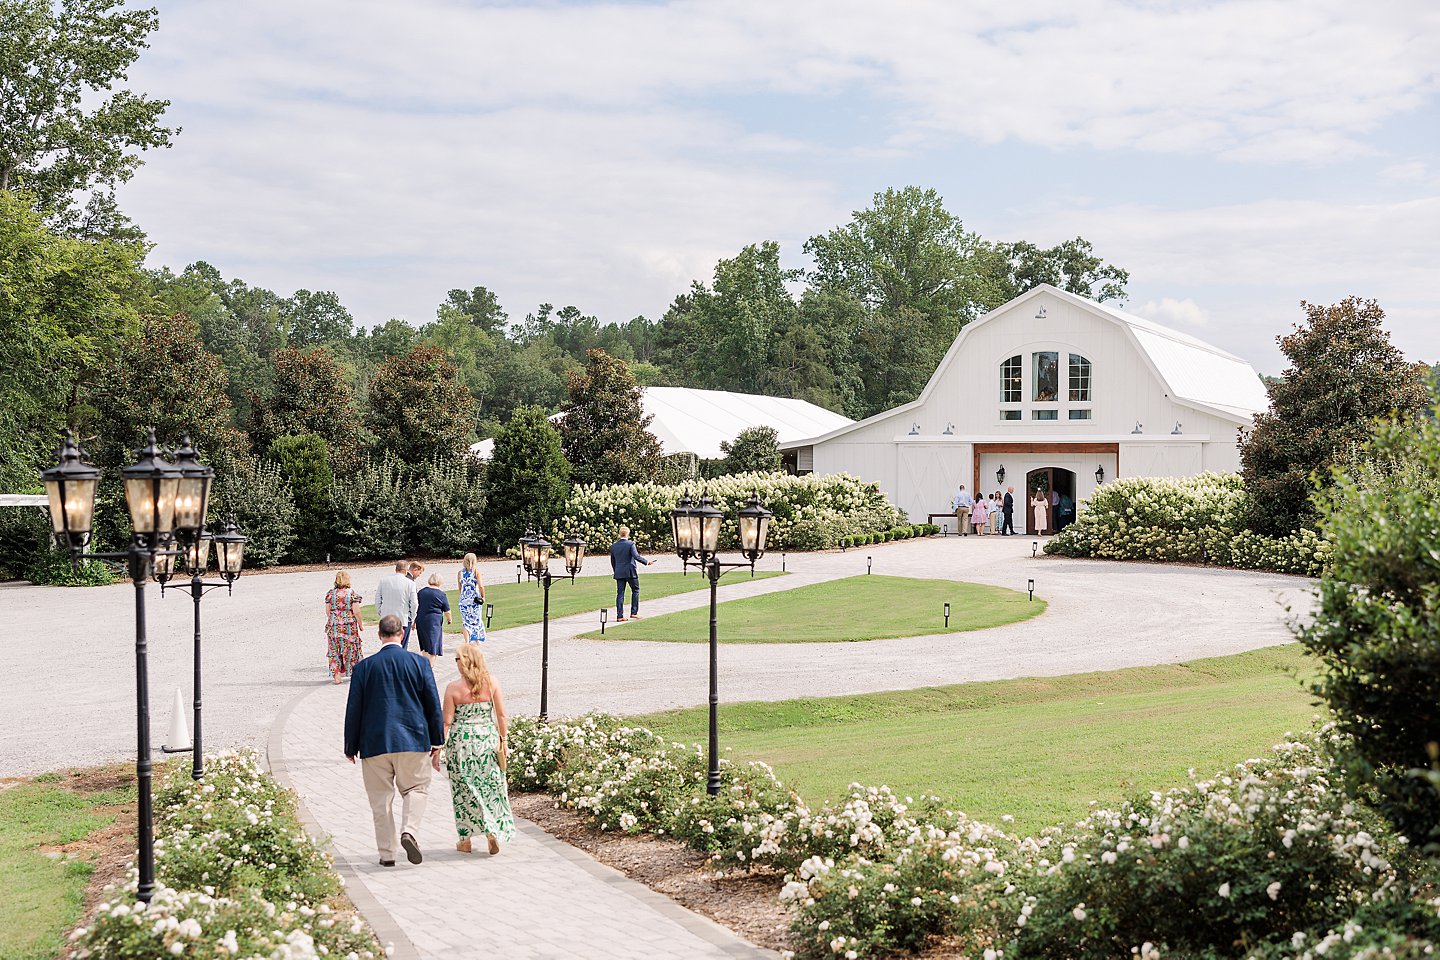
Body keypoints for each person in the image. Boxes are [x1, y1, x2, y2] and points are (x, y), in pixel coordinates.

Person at [343, 614, 444, 868]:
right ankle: (409, 830)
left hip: (375, 743)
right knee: (416, 789)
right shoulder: (419, 664)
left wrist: (350, 745)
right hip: (413, 739)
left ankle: (387, 854)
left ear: (379, 636)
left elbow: (354, 708)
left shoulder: (363, 668)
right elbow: (432, 704)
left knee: (380, 800)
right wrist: (437, 741)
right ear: (402, 633)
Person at [438, 643, 515, 856]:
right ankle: (492, 831)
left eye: (457, 658)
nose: (455, 662)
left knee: (464, 792)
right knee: (491, 788)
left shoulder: (453, 688)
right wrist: (503, 740)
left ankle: (466, 839)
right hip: (487, 741)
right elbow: (501, 715)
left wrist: (437, 749)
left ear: (466, 661)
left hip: (462, 744)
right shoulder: (491, 683)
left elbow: (446, 722)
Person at [324, 570, 364, 685]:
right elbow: (356, 611)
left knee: (334, 650)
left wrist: (335, 619)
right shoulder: (351, 594)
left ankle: (336, 675)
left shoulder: (330, 594)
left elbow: (327, 611)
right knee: (351, 649)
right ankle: (354, 673)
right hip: (349, 627)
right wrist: (360, 624)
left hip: (334, 626)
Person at [610, 525, 650, 622]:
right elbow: (636, 556)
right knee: (635, 590)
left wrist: (616, 571)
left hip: (619, 572)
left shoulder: (613, 546)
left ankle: (620, 616)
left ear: (620, 534)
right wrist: (646, 562)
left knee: (620, 594)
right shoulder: (630, 544)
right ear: (628, 534)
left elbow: (613, 561)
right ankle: (634, 613)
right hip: (630, 571)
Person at [376, 561, 419, 650]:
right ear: (406, 570)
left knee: (387, 645)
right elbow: (414, 603)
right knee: (403, 646)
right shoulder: (410, 583)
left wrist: (381, 611)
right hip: (403, 618)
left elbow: (378, 599)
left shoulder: (384, 580)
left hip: (386, 617)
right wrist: (412, 616)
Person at [415, 573, 452, 664]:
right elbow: (447, 610)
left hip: (421, 620)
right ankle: (430, 666)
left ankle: (426, 662)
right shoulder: (441, 594)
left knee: (424, 643)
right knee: (433, 645)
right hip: (433, 622)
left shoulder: (421, 592)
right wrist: (449, 619)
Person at [457, 553, 486, 643]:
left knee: (466, 622)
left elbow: (460, 588)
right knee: (476, 621)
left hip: (464, 601)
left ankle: (467, 641)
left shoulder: (460, 573)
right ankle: (477, 640)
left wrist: (464, 597)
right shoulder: (476, 572)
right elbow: (481, 586)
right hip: (474, 600)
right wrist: (483, 596)